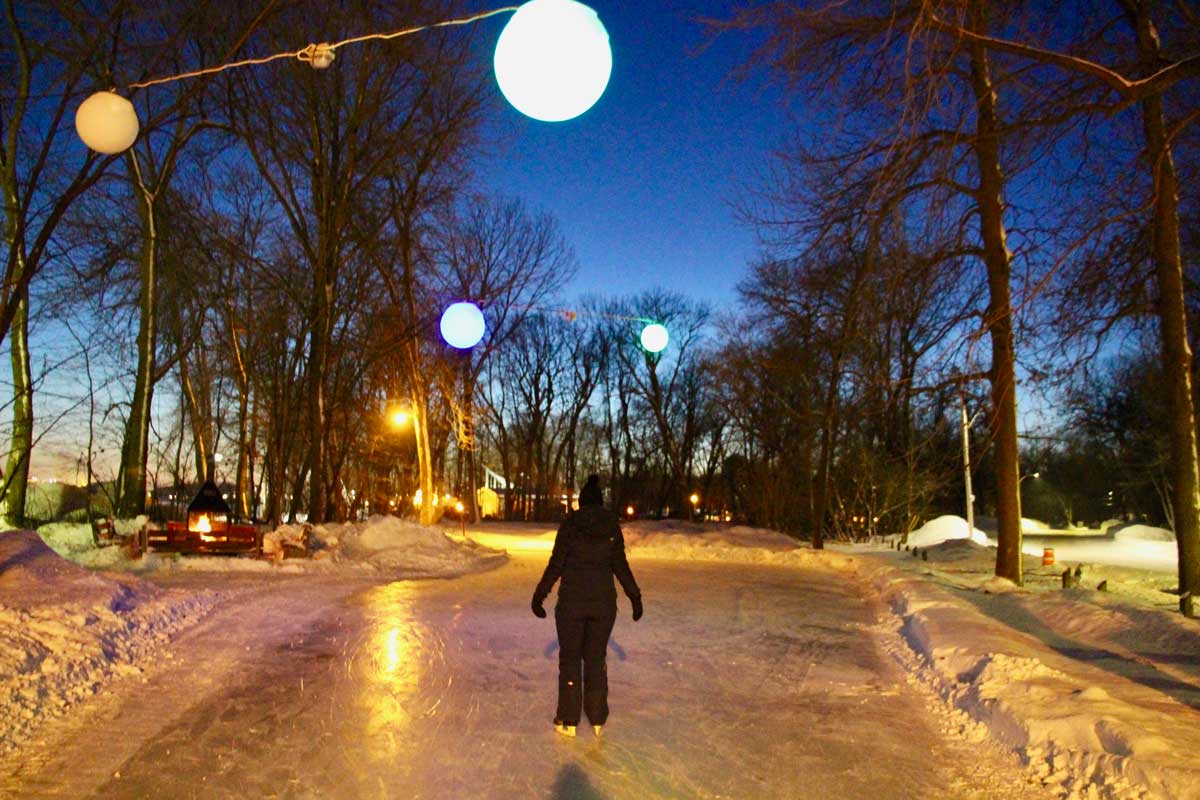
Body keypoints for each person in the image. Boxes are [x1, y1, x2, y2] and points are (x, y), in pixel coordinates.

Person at [531, 474, 642, 738]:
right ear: (601, 502)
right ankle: (597, 717)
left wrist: (539, 595)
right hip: (603, 606)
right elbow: (620, 566)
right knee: (595, 658)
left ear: (582, 502)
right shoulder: (611, 526)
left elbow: (556, 564)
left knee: (570, 659)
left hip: (571, 605)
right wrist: (634, 597)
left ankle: (569, 720)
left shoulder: (570, 525)